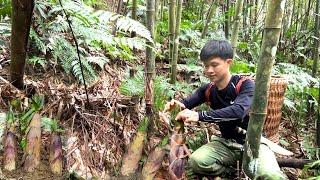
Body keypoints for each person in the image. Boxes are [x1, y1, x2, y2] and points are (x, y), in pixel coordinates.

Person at [164, 39, 286, 178]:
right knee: (196, 162)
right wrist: (177, 105)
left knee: (270, 175)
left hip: (253, 143)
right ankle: (229, 172)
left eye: (214, 65)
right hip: (226, 144)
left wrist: (200, 115)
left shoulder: (245, 85)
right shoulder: (208, 89)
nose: (209, 70)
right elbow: (187, 102)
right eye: (206, 66)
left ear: (228, 62)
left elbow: (238, 111)